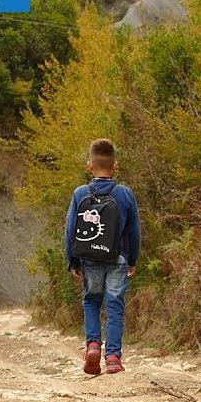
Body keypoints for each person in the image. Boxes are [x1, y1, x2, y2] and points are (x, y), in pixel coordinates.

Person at [64, 139, 141, 375]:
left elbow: (70, 230)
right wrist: (132, 260)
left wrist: (72, 260)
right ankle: (114, 357)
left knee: (92, 301)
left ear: (90, 165)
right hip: (117, 259)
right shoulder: (125, 193)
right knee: (115, 305)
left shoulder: (80, 193)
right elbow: (134, 231)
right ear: (115, 165)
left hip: (89, 258)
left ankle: (93, 345)